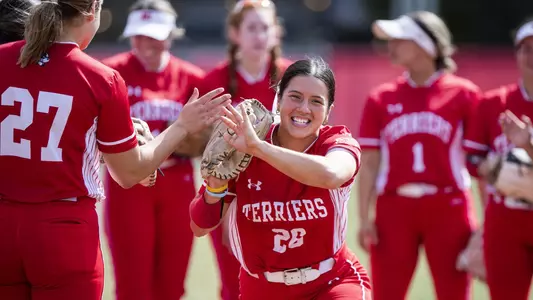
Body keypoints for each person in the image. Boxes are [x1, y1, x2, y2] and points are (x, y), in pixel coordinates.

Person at [0, 0, 230, 299]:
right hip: (63, 226)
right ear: (93, 10)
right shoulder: (100, 77)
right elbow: (129, 172)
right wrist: (181, 125)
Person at [190, 57, 372, 300]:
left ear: (328, 111)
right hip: (263, 288)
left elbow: (331, 174)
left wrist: (259, 149)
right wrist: (215, 186)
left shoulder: (335, 142)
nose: (304, 108)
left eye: (316, 101)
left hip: (331, 282)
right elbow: (200, 226)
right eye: (295, 96)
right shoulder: (246, 146)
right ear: (278, 99)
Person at [357, 11, 482, 300]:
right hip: (394, 208)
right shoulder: (381, 97)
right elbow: (371, 164)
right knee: (386, 294)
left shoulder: (465, 95)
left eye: (401, 39)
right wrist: (365, 217)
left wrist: (486, 225)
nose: (392, 45)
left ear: (428, 46)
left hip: (449, 206)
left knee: (454, 294)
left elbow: (480, 166)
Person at [100, 1, 205, 299]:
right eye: (139, 35)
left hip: (178, 182)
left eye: (154, 35)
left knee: (172, 286)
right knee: (133, 285)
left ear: (171, 34)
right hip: (128, 182)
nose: (145, 43)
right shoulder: (110, 73)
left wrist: (199, 139)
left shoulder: (192, 78)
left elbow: (208, 138)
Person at [199, 1, 293, 298]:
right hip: (230, 196)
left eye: (265, 28)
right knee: (235, 285)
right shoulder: (214, 81)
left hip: (281, 196)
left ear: (276, 33)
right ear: (235, 33)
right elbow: (203, 149)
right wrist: (225, 211)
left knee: (284, 282)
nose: (259, 35)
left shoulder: (294, 77)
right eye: (251, 28)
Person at [463, 18, 533, 300]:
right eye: (524, 47)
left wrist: (527, 144)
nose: (530, 55)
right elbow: (471, 161)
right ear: (515, 53)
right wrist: (490, 168)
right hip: (505, 221)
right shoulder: (494, 103)